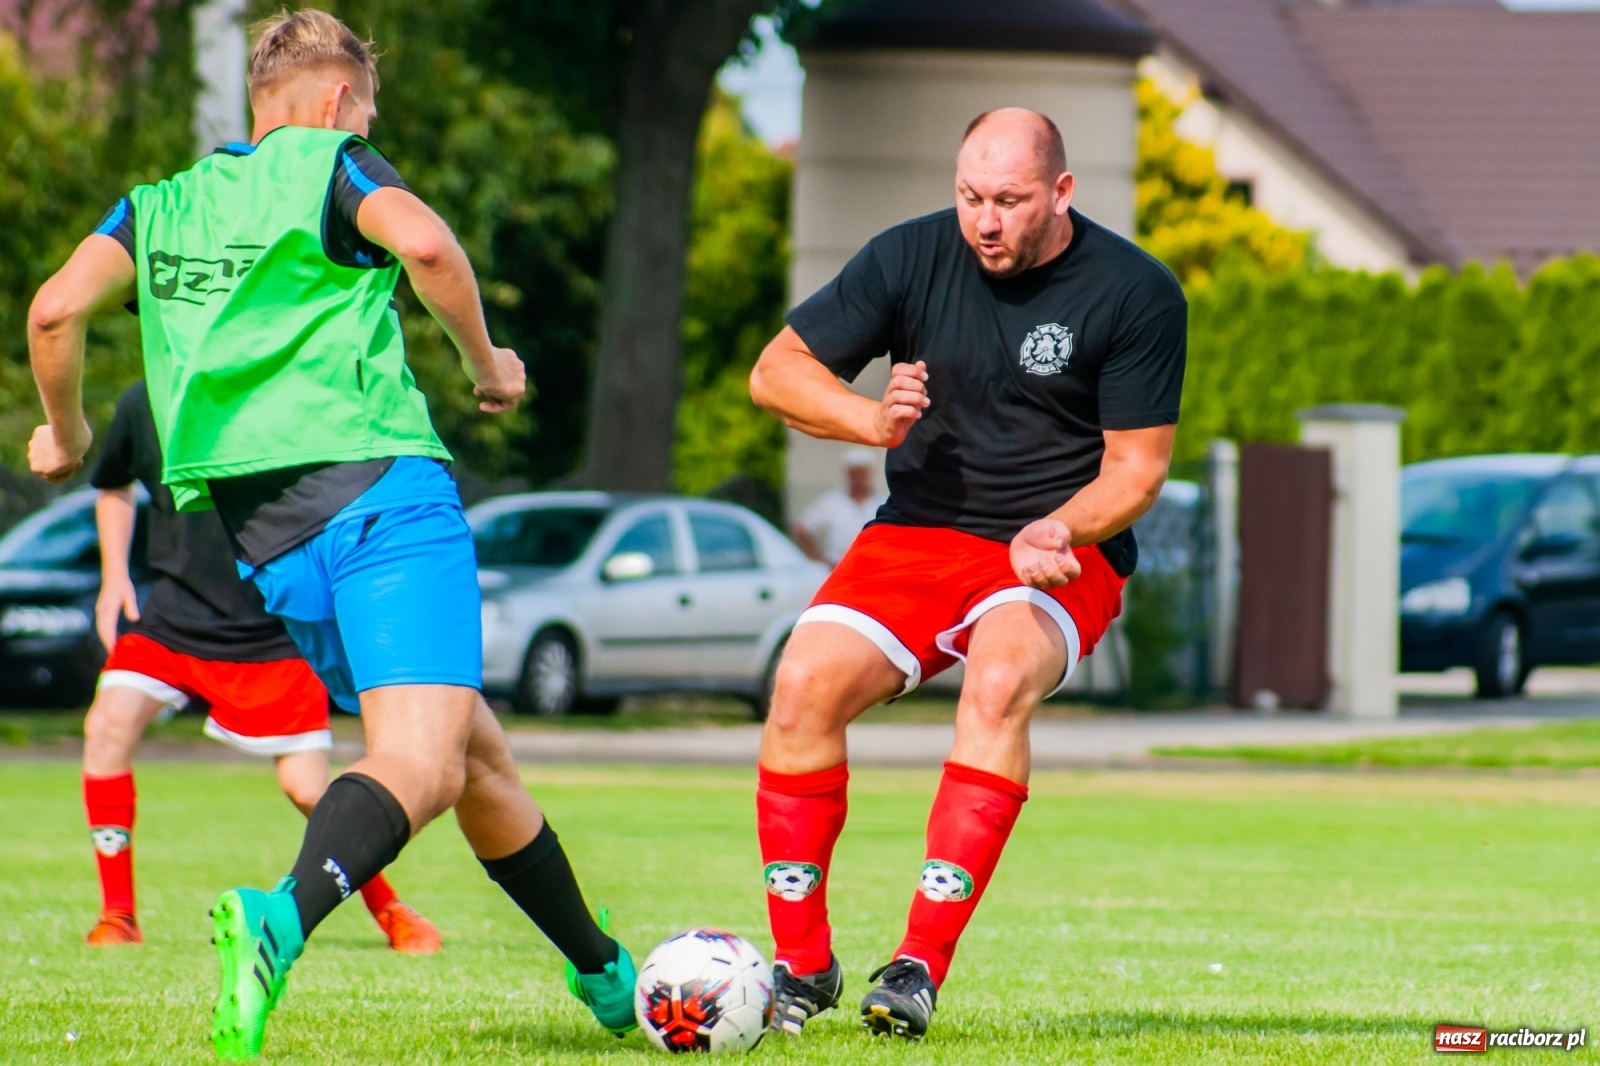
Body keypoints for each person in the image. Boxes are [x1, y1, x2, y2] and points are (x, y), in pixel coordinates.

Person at [26, 10, 635, 1059]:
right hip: (381, 493)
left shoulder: (159, 205)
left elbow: (52, 311)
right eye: (367, 114)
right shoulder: (332, 162)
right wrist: (490, 367)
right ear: (333, 103)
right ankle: (281, 917)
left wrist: (69, 433)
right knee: (421, 759)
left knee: (472, 754)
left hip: (264, 534)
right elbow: (428, 244)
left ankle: (606, 976)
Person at [747, 108, 1185, 1040]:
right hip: (918, 533)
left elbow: (1138, 470)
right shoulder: (909, 256)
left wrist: (1059, 526)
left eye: (1010, 201)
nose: (984, 220)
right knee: (800, 687)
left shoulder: (1136, 292)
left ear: (1061, 193)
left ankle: (917, 965)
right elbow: (776, 373)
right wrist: (868, 420)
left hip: (1059, 550)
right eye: (970, 197)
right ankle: (800, 966)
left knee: (994, 683)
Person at [80, 380, 441, 954]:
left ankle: (389, 907)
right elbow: (113, 485)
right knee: (105, 727)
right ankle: (118, 916)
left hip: (271, 627)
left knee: (305, 788)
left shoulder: (282, 384)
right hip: (173, 617)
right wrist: (113, 578)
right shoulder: (145, 398)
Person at [792, 447, 888, 567]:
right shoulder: (832, 502)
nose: (860, 476)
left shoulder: (883, 501)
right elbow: (802, 529)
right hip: (840, 568)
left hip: (876, 568)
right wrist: (820, 561)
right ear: (848, 474)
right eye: (855, 472)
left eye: (863, 471)